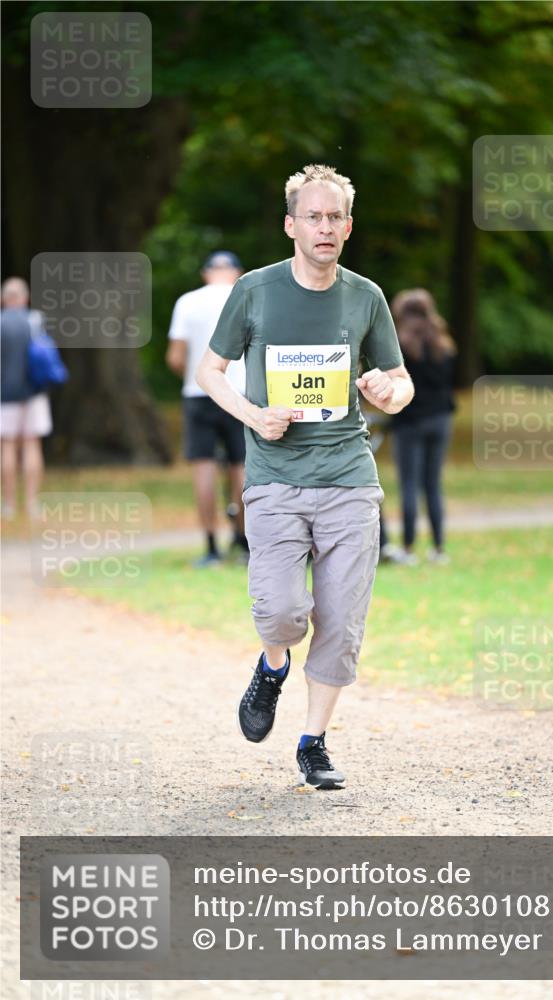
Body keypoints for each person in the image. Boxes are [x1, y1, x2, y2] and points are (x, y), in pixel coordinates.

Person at [197, 164, 414, 789]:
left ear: (348, 227)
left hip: (349, 477)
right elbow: (211, 371)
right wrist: (254, 416)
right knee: (284, 614)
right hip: (274, 479)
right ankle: (271, 667)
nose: (325, 227)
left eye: (335, 217)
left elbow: (401, 384)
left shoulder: (365, 296)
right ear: (291, 225)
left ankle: (313, 741)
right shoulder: (256, 291)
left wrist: (386, 391)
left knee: (341, 622)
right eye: (313, 217)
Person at [166, 252, 249, 566]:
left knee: (203, 468)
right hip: (238, 393)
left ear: (205, 273)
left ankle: (211, 547)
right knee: (242, 466)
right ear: (237, 273)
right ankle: (243, 542)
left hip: (198, 392)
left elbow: (176, 357)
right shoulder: (246, 297)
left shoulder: (188, 302)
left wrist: (193, 374)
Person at [389, 288, 457, 565]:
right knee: (433, 485)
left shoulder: (400, 346)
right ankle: (439, 548)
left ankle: (407, 547)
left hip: (410, 423)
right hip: (441, 420)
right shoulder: (444, 344)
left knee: (409, 485)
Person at [0, 277, 53, 520]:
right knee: (32, 445)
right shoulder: (35, 321)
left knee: (7, 446)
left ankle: (9, 505)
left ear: (4, 299)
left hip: (5, 394)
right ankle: (32, 503)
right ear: (25, 298)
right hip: (34, 392)